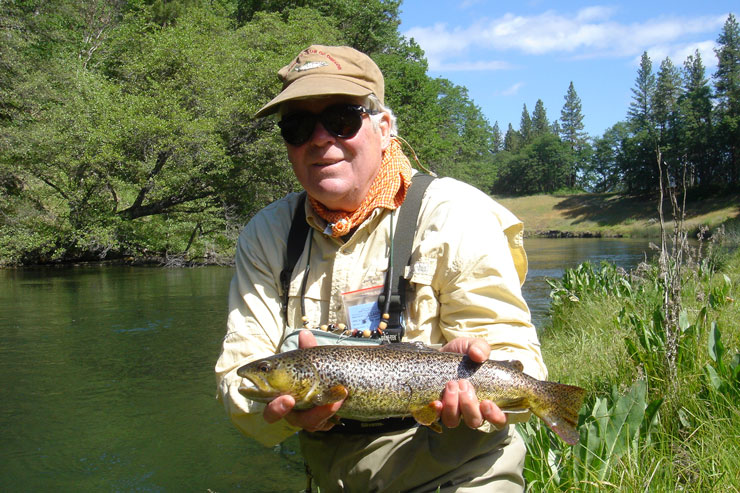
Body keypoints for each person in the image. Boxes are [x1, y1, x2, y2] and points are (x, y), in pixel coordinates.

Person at [215, 44, 547, 492]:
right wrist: (283, 412)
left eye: (341, 120)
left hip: (459, 469)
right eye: (296, 127)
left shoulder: (457, 212)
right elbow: (240, 376)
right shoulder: (267, 235)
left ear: (384, 126)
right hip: (333, 476)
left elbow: (520, 360)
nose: (319, 139)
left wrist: (482, 371)